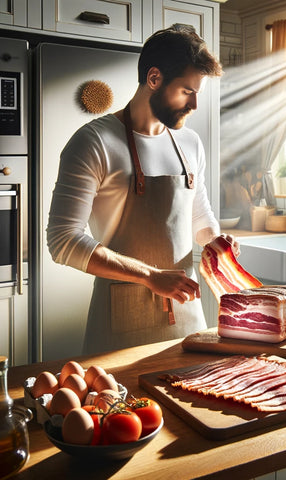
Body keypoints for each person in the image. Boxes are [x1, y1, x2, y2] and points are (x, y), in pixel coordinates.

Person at [47, 25, 238, 354]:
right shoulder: (94, 142)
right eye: (186, 91)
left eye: (197, 93)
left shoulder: (189, 143)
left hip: (187, 314)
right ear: (154, 78)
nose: (193, 104)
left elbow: (199, 214)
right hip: (118, 324)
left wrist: (214, 240)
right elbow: (62, 241)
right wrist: (151, 276)